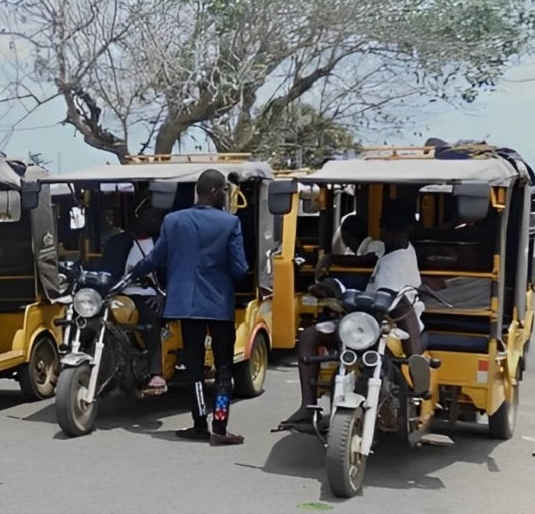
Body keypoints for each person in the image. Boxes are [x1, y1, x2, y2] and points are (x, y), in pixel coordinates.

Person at [280, 202, 429, 431]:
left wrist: (337, 291)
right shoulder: (388, 249)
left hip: (390, 327)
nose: (392, 233)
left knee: (398, 308)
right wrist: (330, 260)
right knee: (310, 335)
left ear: (407, 231)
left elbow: (389, 306)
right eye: (388, 228)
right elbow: (366, 259)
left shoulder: (398, 263)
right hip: (363, 322)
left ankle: (414, 362)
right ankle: (307, 407)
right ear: (382, 228)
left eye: (397, 229)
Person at [128, 170, 250, 445]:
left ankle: (198, 425)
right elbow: (240, 268)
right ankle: (219, 427)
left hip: (185, 304)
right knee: (223, 368)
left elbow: (156, 258)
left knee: (194, 367)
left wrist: (136, 271)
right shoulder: (230, 223)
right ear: (218, 191)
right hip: (218, 305)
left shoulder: (173, 220)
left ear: (199, 191)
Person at [122, 206, 167, 394]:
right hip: (121, 295)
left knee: (150, 319)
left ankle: (155, 373)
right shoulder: (120, 241)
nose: (154, 221)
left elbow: (171, 272)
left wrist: (164, 294)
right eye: (150, 216)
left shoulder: (160, 243)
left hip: (149, 294)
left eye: (157, 218)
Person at [316, 212, 383, 281]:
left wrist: (331, 258)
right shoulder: (351, 253)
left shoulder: (377, 245)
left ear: (347, 237)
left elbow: (368, 260)